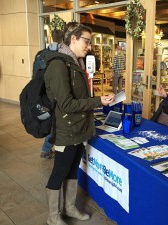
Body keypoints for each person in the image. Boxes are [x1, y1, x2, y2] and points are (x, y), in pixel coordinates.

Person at [44, 22, 115, 225]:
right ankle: (53, 216)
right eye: (87, 41)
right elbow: (66, 104)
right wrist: (97, 101)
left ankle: (69, 208)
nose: (90, 46)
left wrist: (96, 99)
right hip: (66, 129)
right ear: (73, 39)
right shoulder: (58, 65)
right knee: (60, 170)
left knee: (73, 168)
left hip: (79, 127)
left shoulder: (75, 63)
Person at [40, 29, 64, 159]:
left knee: (51, 122)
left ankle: (46, 149)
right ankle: (46, 149)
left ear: (51, 37)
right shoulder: (61, 54)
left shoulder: (42, 53)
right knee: (55, 123)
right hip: (56, 95)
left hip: (44, 94)